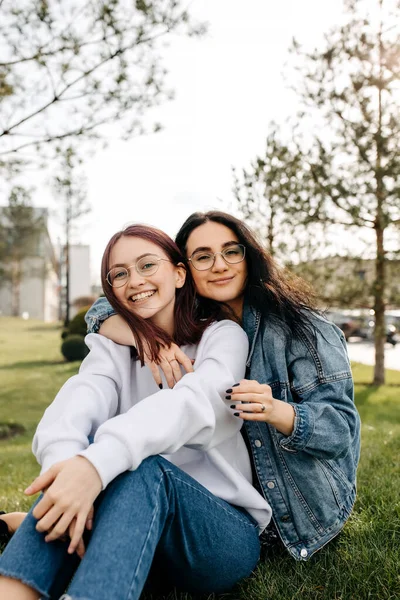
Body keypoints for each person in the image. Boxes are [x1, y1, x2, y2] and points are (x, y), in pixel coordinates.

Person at [0, 224, 271, 600]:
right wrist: (66, 471)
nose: (135, 281)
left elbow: (196, 403)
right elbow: (77, 400)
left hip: (218, 535)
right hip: (130, 526)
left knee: (139, 464)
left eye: (147, 265)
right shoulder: (112, 347)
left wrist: (96, 464)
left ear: (179, 274)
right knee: (81, 467)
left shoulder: (222, 336)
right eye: (120, 274)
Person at [82, 210, 361, 561]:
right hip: (211, 500)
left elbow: (341, 430)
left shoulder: (302, 328)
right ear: (183, 270)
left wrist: (279, 411)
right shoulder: (198, 324)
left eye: (231, 251)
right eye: (203, 256)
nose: (219, 265)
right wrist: (144, 338)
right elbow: (100, 310)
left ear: (249, 256)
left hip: (293, 511)